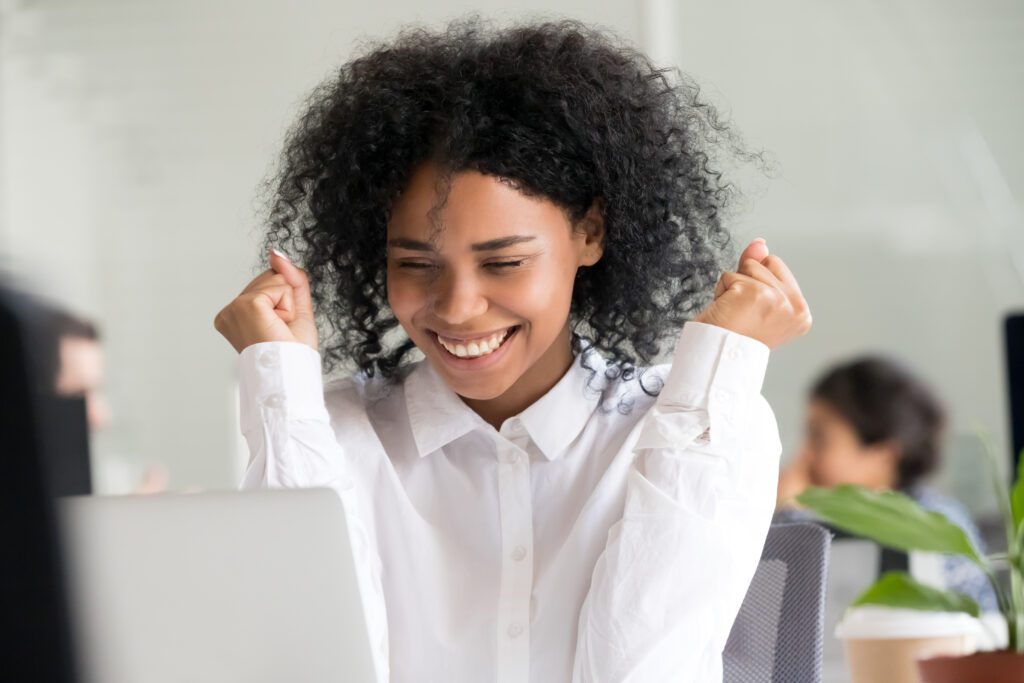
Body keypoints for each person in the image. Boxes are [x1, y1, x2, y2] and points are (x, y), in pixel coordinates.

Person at [215, 16, 811, 682]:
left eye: (503, 263)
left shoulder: (689, 427)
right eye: (416, 264)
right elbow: (307, 666)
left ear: (590, 232)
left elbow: (641, 670)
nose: (457, 307)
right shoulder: (331, 435)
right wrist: (278, 385)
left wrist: (719, 365)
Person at [776, 356, 999, 612]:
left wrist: (786, 517)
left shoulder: (935, 521)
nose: (803, 456)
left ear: (884, 453)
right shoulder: (826, 518)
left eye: (819, 438)